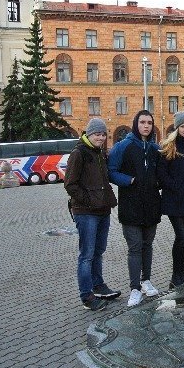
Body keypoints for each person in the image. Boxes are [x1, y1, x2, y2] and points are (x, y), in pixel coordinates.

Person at [108, 110, 162, 307]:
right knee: (135, 247)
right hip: (130, 205)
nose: (146, 126)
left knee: (148, 245)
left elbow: (162, 171)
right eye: (142, 122)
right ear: (136, 124)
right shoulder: (123, 146)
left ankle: (146, 280)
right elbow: (111, 171)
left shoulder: (155, 149)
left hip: (151, 205)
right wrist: (129, 180)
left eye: (149, 123)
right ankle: (135, 288)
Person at [64, 118, 119, 311]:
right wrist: (88, 200)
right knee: (86, 255)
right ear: (89, 134)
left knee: (98, 251)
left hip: (102, 210)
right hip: (86, 212)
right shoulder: (79, 153)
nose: (101, 137)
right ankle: (86, 295)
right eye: (97, 134)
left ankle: (98, 286)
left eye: (103, 134)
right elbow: (70, 184)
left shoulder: (100, 153)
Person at [157, 111, 184, 289]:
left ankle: (180, 275)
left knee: (183, 237)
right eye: (182, 126)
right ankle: (176, 275)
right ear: (177, 128)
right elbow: (162, 174)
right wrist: (175, 187)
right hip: (174, 200)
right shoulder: (169, 147)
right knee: (181, 236)